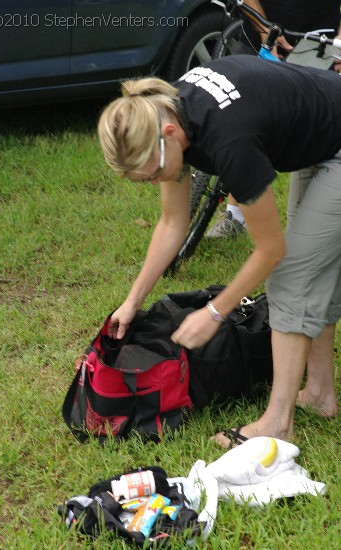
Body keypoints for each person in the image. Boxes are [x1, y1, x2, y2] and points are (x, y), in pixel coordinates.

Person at [98, 55, 341, 446]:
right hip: (321, 135)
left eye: (156, 174)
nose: (159, 181)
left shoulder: (229, 138)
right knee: (314, 270)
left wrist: (215, 311)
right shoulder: (165, 109)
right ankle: (319, 393)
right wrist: (131, 301)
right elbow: (173, 223)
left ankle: (278, 424)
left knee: (293, 275)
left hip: (336, 144)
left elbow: (270, 249)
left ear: (171, 134)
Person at [206, 0, 341, 239]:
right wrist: (262, 29)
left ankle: (309, 220)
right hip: (264, 34)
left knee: (311, 128)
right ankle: (234, 215)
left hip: (319, 44)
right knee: (241, 118)